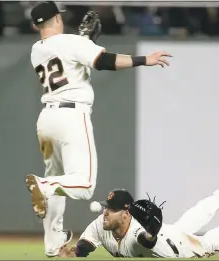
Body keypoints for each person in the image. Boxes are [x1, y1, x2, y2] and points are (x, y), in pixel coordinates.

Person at [26, 1, 172, 257]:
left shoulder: (36, 49)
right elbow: (104, 61)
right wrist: (144, 60)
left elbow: (69, 59)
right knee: (83, 186)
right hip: (72, 116)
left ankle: (53, 244)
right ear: (56, 19)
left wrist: (83, 41)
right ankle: (43, 185)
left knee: (59, 182)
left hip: (47, 120)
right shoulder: (71, 42)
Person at [59, 182, 219, 258]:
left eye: (113, 209)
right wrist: (71, 253)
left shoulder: (137, 231)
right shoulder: (101, 224)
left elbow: (146, 240)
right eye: (106, 207)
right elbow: (84, 247)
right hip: (162, 234)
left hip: (171, 247)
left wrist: (152, 233)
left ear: (126, 213)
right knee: (185, 223)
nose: (106, 212)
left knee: (205, 247)